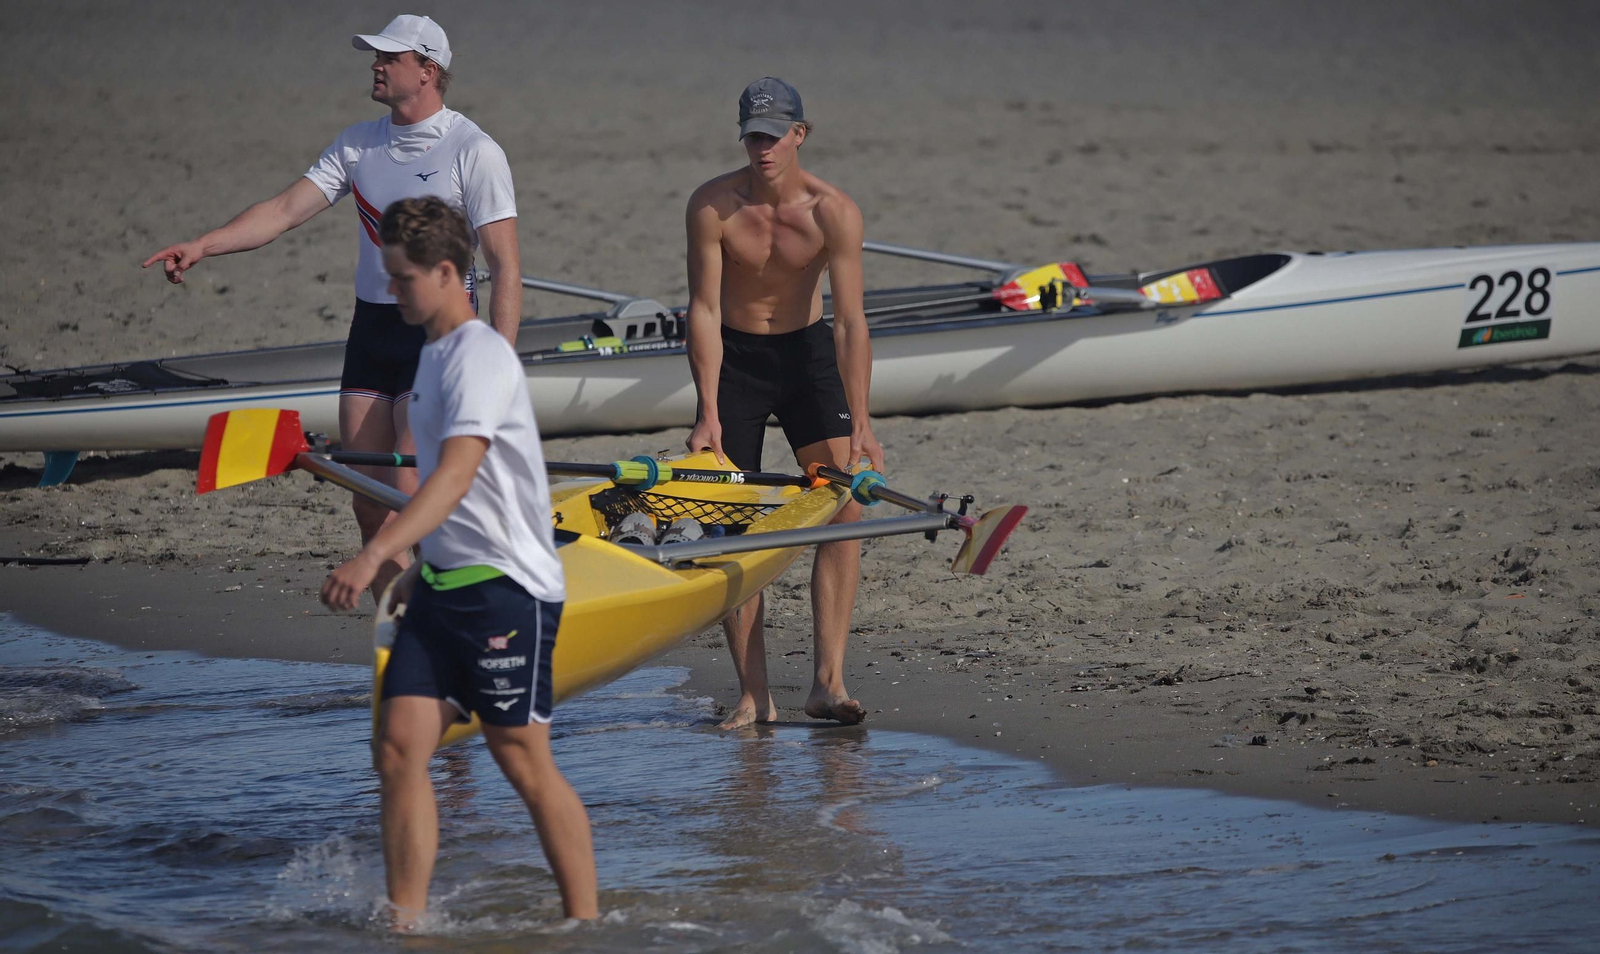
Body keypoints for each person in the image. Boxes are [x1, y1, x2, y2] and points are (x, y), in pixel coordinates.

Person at [144, 14, 521, 602]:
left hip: (438, 340)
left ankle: (443, 647)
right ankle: (396, 656)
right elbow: (283, 210)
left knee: (410, 501)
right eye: (374, 55)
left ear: (428, 71)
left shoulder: (474, 150)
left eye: (389, 57)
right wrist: (203, 245)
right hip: (371, 331)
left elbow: (506, 268)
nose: (375, 64)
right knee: (370, 508)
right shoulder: (357, 143)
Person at [320, 196, 596, 925]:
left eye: (403, 278)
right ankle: (407, 924)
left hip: (507, 591)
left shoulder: (479, 356)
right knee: (399, 749)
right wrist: (417, 565)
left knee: (521, 760)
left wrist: (376, 549)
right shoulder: (433, 355)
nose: (393, 291)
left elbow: (456, 474)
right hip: (440, 586)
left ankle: (587, 926)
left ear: (446, 271)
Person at [683, 77, 885, 729]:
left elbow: (851, 324)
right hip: (736, 362)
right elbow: (706, 310)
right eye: (752, 135)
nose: (762, 146)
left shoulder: (835, 212)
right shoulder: (713, 206)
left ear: (800, 134)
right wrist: (707, 409)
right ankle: (754, 696)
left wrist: (864, 424)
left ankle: (828, 682)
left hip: (806, 356)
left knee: (845, 506)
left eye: (773, 134)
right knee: (731, 528)